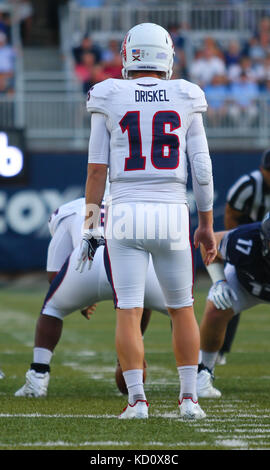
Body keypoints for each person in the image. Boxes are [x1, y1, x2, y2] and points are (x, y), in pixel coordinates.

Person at [77, 23, 216, 420]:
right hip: (172, 211)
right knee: (182, 308)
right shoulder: (186, 94)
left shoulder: (109, 93)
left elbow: (96, 172)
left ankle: (137, 401)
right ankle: (189, 400)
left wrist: (90, 226)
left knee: (129, 310)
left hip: (123, 212)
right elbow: (202, 170)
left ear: (128, 54)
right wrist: (205, 223)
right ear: (166, 55)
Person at [14, 198, 166, 398]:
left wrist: (82, 298)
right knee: (180, 310)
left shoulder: (68, 212)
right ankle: (195, 375)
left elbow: (54, 275)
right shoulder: (138, 205)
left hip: (89, 258)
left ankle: (38, 376)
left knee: (52, 309)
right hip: (133, 264)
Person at [197, 213, 270, 398]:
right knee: (216, 307)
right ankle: (203, 372)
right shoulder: (245, 240)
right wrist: (218, 281)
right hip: (246, 284)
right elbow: (209, 243)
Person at [218, 147, 270, 364]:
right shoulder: (249, 186)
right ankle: (219, 349)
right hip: (252, 244)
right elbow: (231, 213)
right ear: (262, 169)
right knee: (228, 294)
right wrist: (239, 245)